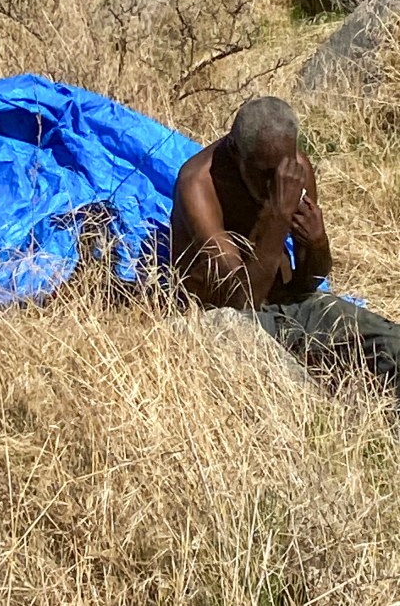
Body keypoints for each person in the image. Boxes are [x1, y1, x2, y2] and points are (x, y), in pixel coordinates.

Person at [171, 96, 400, 401]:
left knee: (392, 343)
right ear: (235, 151)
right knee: (305, 393)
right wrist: (278, 215)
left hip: (291, 305)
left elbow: (307, 283)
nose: (277, 183)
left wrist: (317, 243)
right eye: (265, 173)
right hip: (224, 319)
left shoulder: (295, 169)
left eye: (284, 169)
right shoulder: (198, 184)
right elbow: (239, 303)